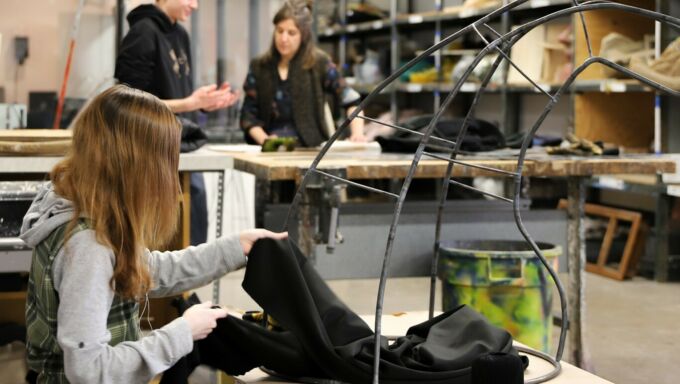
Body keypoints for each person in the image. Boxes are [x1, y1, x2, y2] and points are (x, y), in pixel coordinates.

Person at [21, 85, 286, 383]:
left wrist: (235, 247)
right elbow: (89, 369)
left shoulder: (88, 211)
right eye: (166, 161)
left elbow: (146, 270)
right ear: (136, 167)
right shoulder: (89, 247)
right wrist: (182, 333)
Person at [115, 0, 239, 246]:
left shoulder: (180, 34)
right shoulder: (142, 33)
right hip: (150, 149)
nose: (194, 6)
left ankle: (187, 284)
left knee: (193, 219)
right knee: (158, 233)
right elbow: (128, 104)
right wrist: (189, 103)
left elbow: (177, 97)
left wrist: (204, 103)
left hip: (182, 143)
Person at [240, 0, 366, 147]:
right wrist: (266, 141)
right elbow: (248, 116)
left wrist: (357, 134)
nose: (284, 38)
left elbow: (351, 100)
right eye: (280, 31)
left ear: (303, 35)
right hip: (268, 148)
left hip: (310, 149)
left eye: (291, 33)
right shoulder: (259, 66)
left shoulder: (319, 63)